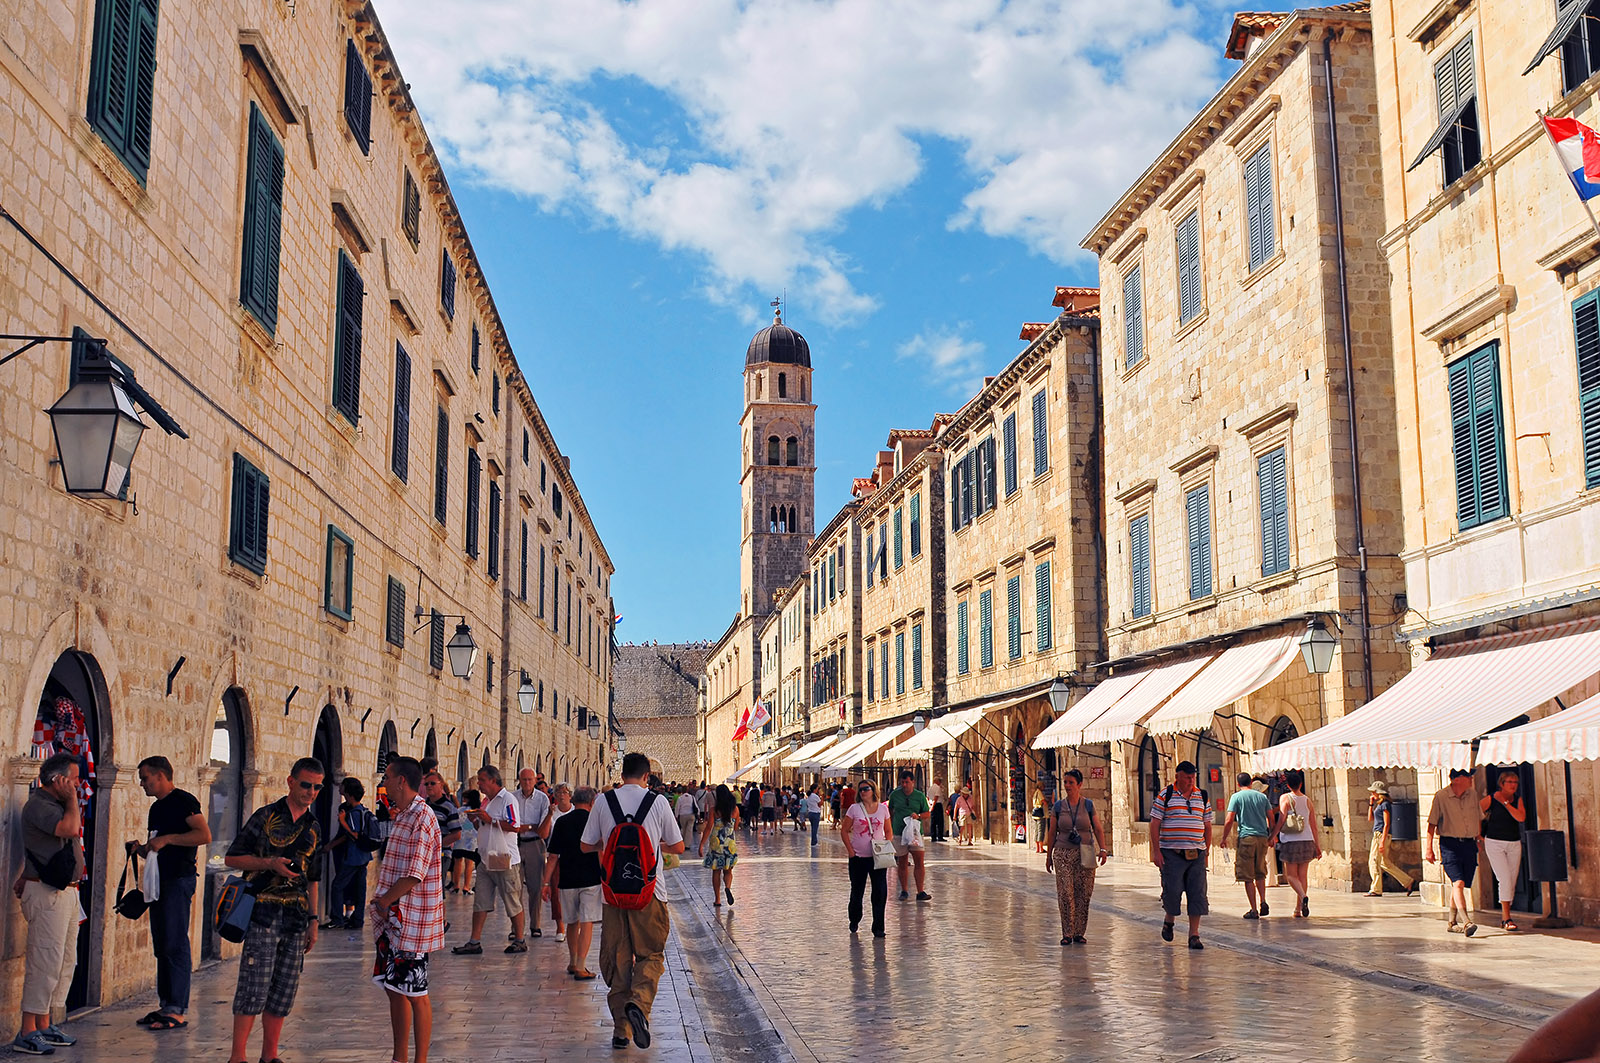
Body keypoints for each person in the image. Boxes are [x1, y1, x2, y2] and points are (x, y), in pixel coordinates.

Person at [580, 752, 686, 1050]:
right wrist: (653, 842)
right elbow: (678, 845)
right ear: (646, 775)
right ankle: (639, 1005)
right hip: (650, 893)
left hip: (613, 893)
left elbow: (586, 845)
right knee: (651, 954)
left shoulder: (603, 801)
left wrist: (609, 840)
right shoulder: (658, 802)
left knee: (618, 958)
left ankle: (620, 1031)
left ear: (622, 773)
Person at [225, 757, 324, 1063]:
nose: (311, 792)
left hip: (295, 918)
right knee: (253, 986)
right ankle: (237, 1056)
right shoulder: (265, 816)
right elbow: (233, 858)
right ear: (291, 781)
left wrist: (314, 920)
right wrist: (269, 863)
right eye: (306, 785)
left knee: (283, 989)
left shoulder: (314, 828)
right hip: (263, 914)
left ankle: (270, 1055)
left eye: (317, 787)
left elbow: (314, 878)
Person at [368, 756, 444, 1063]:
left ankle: (420, 1059)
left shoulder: (422, 817)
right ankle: (399, 1057)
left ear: (401, 780)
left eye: (387, 776)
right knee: (394, 987)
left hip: (410, 919)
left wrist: (386, 900)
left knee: (416, 992)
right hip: (394, 921)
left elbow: (416, 872)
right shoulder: (403, 815)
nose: (383, 782)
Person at [125, 755, 210, 1030]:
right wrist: (141, 848)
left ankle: (177, 1007)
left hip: (177, 881)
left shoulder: (183, 801)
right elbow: (156, 845)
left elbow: (203, 835)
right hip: (159, 882)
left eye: (145, 778)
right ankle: (166, 1005)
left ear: (161, 776)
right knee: (162, 944)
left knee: (175, 942)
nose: (142, 784)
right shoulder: (156, 808)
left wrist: (168, 839)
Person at [11, 752, 84, 1056]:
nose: (79, 784)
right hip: (45, 893)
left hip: (65, 892)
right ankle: (27, 1030)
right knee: (45, 961)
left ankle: (44, 1023)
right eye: (75, 779)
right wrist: (71, 800)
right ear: (59, 780)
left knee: (65, 960)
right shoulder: (40, 806)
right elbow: (69, 830)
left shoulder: (56, 805)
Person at [452, 766, 526, 954]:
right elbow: (485, 826)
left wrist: (489, 819)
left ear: (493, 780)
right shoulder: (487, 801)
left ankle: (520, 939)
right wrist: (477, 820)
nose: (480, 784)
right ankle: (474, 941)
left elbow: (514, 826)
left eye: (482, 780)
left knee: (512, 900)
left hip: (504, 858)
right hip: (485, 858)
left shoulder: (507, 799)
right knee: (481, 901)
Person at [1149, 760, 1212, 950]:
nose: (1191, 781)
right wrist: (1156, 852)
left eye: (1193, 777)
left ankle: (1194, 935)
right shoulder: (1165, 795)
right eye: (1187, 777)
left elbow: (1207, 825)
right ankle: (1169, 920)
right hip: (1172, 853)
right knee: (1172, 891)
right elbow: (1154, 823)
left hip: (1196, 853)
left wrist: (1206, 850)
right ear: (1177, 776)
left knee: (1197, 894)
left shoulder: (1202, 795)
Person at [1045, 768, 1108, 945]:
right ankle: (1067, 932)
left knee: (1084, 893)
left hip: (1086, 851)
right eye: (1065, 782)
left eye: (1071, 782)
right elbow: (1051, 832)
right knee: (1066, 893)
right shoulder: (1058, 807)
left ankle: (1079, 932)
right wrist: (1048, 856)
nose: (1067, 786)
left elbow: (1097, 828)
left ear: (1079, 785)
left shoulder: (1088, 805)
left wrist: (1103, 849)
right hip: (1063, 852)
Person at [547, 787, 602, 979]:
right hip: (591, 879)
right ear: (592, 802)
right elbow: (601, 851)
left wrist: (546, 883)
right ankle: (581, 965)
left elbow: (553, 856)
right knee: (587, 922)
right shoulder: (595, 822)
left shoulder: (562, 822)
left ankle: (572, 961)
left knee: (571, 922)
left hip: (567, 878)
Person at [1427, 768, 1482, 936]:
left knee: (1460, 884)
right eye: (1468, 776)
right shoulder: (1441, 797)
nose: (1471, 778)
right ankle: (1467, 921)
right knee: (1458, 883)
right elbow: (1432, 824)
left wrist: (1478, 838)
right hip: (1450, 845)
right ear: (1457, 779)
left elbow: (1477, 817)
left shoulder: (1472, 794)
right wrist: (1429, 848)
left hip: (1469, 844)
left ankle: (1451, 922)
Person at [1220, 772, 1274, 919]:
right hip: (1262, 837)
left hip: (1247, 838)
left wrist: (1224, 837)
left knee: (1247, 875)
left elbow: (1230, 819)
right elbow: (1271, 816)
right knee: (1260, 872)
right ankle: (1263, 901)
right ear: (1251, 782)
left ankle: (1254, 909)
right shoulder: (1262, 797)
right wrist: (1272, 836)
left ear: (1238, 784)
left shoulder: (1236, 797)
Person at [841, 780, 891, 938]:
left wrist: (885, 845)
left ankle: (878, 927)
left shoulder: (883, 809)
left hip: (878, 857)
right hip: (858, 857)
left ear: (873, 790)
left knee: (880, 892)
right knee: (857, 892)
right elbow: (844, 830)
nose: (863, 792)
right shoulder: (854, 809)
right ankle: (854, 919)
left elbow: (888, 830)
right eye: (860, 790)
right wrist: (851, 852)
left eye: (866, 789)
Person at [1269, 768, 1321, 919]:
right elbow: (1314, 825)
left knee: (1291, 876)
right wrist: (1317, 846)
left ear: (1288, 785)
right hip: (1307, 840)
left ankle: (1303, 897)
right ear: (1301, 783)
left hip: (1290, 841)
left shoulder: (1285, 798)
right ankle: (1298, 909)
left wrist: (1273, 835)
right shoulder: (1307, 800)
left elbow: (1281, 819)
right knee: (1302, 876)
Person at [1481, 769, 1527, 932]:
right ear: (1502, 783)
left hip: (1514, 842)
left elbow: (1521, 818)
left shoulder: (1517, 800)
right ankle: (1506, 918)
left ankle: (1506, 914)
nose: (1513, 785)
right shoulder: (1491, 799)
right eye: (1510, 782)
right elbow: (1475, 814)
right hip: (1495, 842)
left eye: (1515, 782)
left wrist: (1506, 803)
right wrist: (1479, 836)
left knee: (1512, 880)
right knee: (1505, 878)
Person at [326, 776, 373, 928]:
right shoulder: (361, 810)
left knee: (337, 886)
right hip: (363, 856)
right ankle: (357, 920)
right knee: (360, 889)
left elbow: (354, 834)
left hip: (354, 857)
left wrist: (342, 822)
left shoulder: (353, 813)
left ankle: (338, 919)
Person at [513, 769, 553, 939]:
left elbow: (543, 827)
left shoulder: (542, 799)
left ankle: (535, 924)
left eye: (530, 780)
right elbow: (511, 822)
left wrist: (528, 827)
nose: (527, 783)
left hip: (535, 844)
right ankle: (516, 928)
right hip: (515, 843)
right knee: (515, 888)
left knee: (535, 887)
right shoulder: (513, 797)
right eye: (524, 780)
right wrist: (528, 826)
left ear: (534, 781)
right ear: (520, 780)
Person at [1364, 780, 1414, 899]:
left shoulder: (1385, 804)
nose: (1372, 794)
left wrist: (1382, 841)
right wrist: (1371, 805)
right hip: (1378, 834)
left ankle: (1376, 889)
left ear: (1378, 792)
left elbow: (1387, 823)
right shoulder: (1379, 805)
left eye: (1373, 792)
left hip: (1381, 835)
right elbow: (1370, 819)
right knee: (1384, 863)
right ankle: (1408, 881)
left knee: (1373, 861)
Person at [887, 771, 931, 902]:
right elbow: (890, 811)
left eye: (907, 782)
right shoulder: (895, 795)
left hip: (916, 834)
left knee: (919, 861)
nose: (904, 785)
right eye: (902, 782)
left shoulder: (919, 796)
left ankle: (920, 891)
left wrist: (918, 816)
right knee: (902, 862)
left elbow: (927, 813)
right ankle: (904, 890)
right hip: (899, 833)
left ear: (913, 782)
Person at [545, 783, 574, 943]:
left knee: (573, 891)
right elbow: (543, 833)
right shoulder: (552, 812)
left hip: (573, 856)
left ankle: (573, 924)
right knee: (556, 891)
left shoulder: (576, 811)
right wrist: (548, 816)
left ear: (570, 795)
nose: (562, 795)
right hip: (555, 855)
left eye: (565, 792)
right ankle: (560, 926)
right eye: (559, 792)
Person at [450, 789, 480, 895]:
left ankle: (456, 885)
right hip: (472, 840)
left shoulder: (460, 810)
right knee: (469, 863)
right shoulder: (477, 810)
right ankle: (466, 887)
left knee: (457, 862)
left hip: (460, 838)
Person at [928, 777, 946, 842]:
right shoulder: (937, 788)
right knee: (940, 822)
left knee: (933, 822)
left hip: (931, 804)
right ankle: (940, 836)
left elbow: (927, 797)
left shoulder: (930, 788)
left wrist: (930, 805)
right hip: (937, 805)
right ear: (937, 781)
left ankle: (933, 836)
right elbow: (936, 797)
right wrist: (933, 806)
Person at [1030, 789, 1046, 853]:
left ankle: (1037, 848)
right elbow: (1043, 801)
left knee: (1036, 831)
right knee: (1040, 831)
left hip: (1034, 814)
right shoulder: (1039, 792)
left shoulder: (1035, 793)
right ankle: (1041, 848)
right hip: (1039, 815)